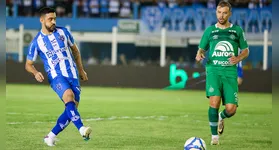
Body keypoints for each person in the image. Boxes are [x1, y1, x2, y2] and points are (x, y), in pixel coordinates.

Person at [25, 7, 92, 146]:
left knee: (71, 110)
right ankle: (82, 129)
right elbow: (28, 64)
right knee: (68, 96)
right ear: (42, 20)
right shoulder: (37, 42)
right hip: (56, 77)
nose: (53, 21)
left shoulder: (63, 32)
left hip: (73, 75)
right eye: (50, 19)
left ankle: (50, 136)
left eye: (55, 18)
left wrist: (81, 70)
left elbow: (76, 52)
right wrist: (36, 72)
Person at [195, 1, 249, 145]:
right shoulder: (210, 31)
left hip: (230, 73)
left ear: (229, 13)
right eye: (219, 12)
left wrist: (238, 58)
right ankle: (214, 138)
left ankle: (221, 116)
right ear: (216, 12)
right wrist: (199, 54)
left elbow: (245, 51)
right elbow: (201, 49)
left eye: (225, 12)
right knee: (214, 101)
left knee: (231, 109)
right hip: (213, 71)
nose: (221, 15)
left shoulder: (236, 30)